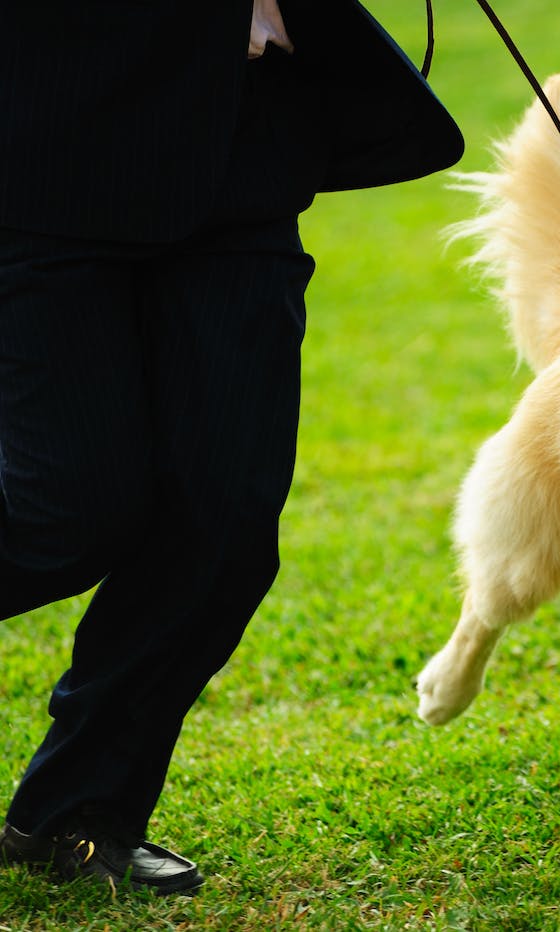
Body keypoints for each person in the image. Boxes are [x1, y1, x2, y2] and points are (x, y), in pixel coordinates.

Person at [0, 0, 463, 894]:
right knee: (70, 514)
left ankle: (79, 811)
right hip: (46, 148)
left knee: (224, 527)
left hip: (240, 151)